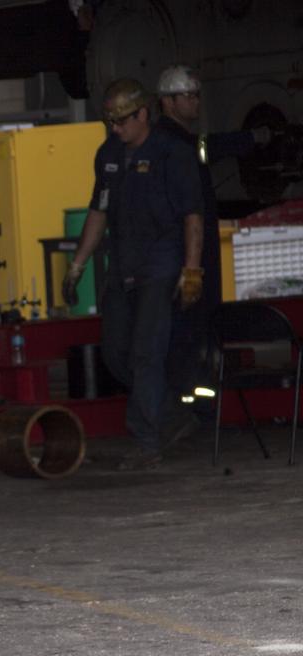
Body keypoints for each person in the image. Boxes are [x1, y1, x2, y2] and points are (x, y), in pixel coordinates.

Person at [63, 78, 203, 470]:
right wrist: (77, 266)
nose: (116, 129)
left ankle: (146, 440)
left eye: (122, 121)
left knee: (146, 352)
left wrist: (191, 270)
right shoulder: (108, 155)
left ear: (144, 114)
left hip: (160, 267)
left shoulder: (172, 155)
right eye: (111, 121)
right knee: (116, 352)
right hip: (122, 268)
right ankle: (174, 416)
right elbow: (98, 212)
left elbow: (193, 216)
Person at [154, 64, 272, 405]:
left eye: (197, 95)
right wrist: (251, 138)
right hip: (184, 255)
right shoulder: (169, 143)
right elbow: (204, 148)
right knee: (187, 330)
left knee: (201, 327)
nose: (196, 103)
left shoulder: (178, 140)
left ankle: (199, 399)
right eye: (189, 96)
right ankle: (191, 404)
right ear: (168, 102)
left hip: (196, 250)